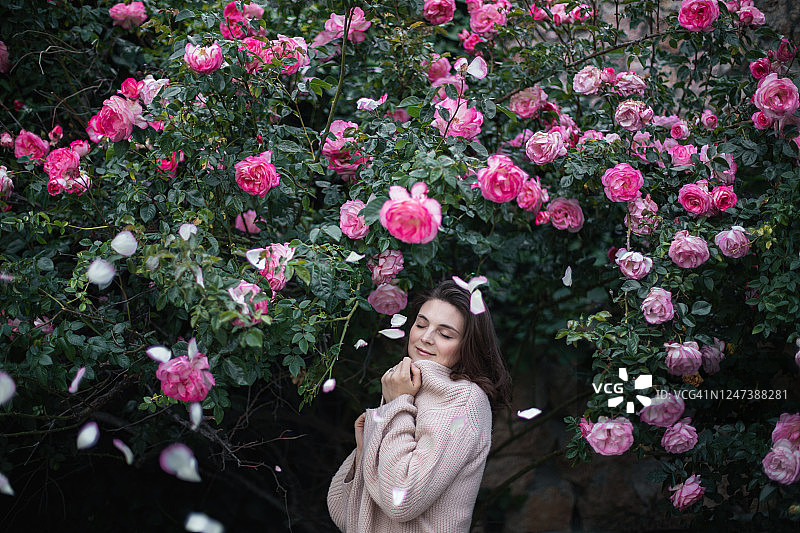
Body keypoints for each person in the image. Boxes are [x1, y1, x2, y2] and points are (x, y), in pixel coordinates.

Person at [327, 279, 512, 532]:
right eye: (421, 324)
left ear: (468, 345)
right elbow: (343, 512)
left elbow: (400, 502)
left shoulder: (463, 400)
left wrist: (397, 406)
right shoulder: (408, 385)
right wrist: (364, 453)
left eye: (445, 334)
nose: (426, 338)